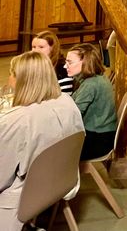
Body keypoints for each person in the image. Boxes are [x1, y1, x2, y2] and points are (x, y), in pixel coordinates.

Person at [0, 52, 84, 231]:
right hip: (62, 181)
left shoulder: (17, 121)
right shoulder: (68, 102)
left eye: (12, 73)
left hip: (24, 199)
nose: (9, 78)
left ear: (23, 80)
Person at [65, 43, 117, 160]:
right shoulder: (98, 78)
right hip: (104, 134)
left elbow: (74, 115)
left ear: (85, 62)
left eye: (70, 62)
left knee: (55, 149)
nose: (65, 66)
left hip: (99, 140)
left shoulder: (90, 84)